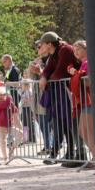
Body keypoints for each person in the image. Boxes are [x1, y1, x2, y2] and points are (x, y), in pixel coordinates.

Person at [38, 31, 81, 167]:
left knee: (68, 123)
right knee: (60, 122)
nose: (40, 47)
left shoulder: (65, 50)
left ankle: (72, 153)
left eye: (42, 44)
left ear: (49, 44)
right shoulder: (54, 53)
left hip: (70, 92)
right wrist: (44, 77)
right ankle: (65, 153)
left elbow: (60, 72)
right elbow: (49, 69)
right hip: (61, 92)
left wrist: (48, 80)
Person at [69, 40, 95, 171]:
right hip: (86, 101)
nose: (75, 52)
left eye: (78, 49)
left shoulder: (88, 62)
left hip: (90, 101)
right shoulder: (84, 64)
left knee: (87, 131)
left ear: (86, 49)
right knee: (83, 130)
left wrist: (76, 74)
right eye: (74, 50)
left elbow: (88, 81)